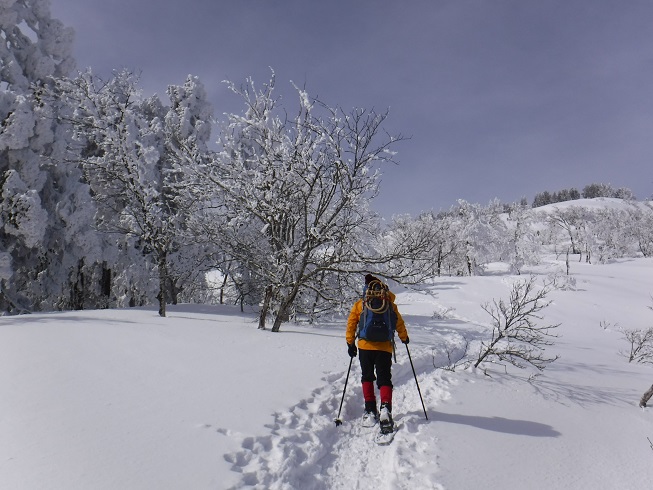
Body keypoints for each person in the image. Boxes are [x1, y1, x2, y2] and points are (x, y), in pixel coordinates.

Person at [346, 274, 409, 433]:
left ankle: (369, 410)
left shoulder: (361, 303)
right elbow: (398, 322)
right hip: (384, 348)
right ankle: (385, 408)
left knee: (367, 376)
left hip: (365, 347)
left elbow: (351, 323)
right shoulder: (389, 304)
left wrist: (350, 343)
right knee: (384, 378)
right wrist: (404, 337)